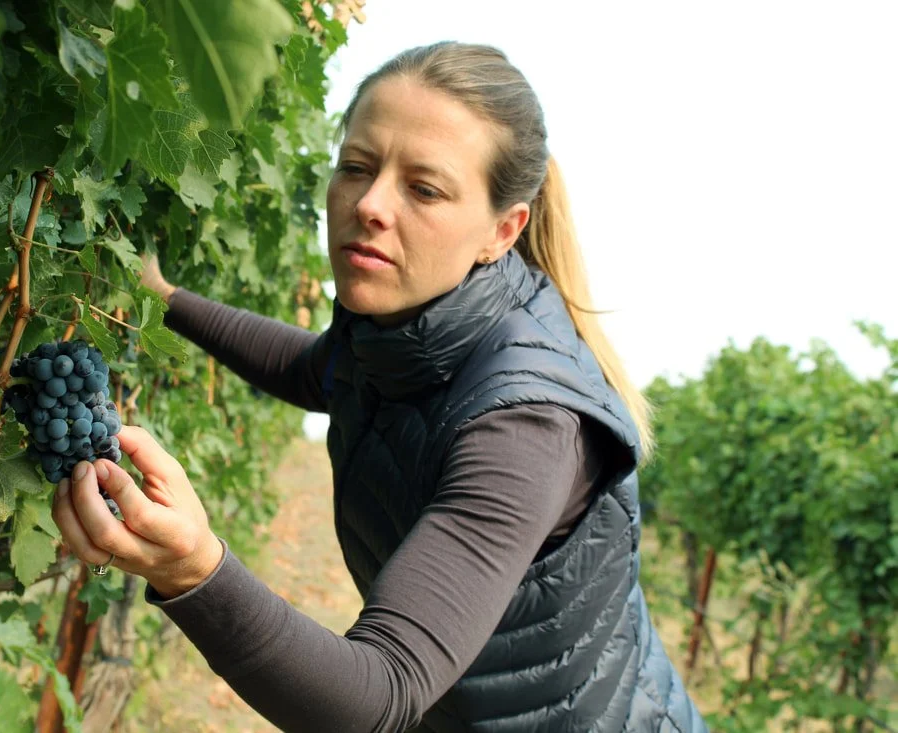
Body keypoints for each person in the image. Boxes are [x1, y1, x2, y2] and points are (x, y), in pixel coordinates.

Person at [51, 42, 707, 732]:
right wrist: (165, 298)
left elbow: (381, 692)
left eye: (424, 188)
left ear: (502, 230)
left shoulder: (527, 426)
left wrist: (195, 570)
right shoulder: (399, 322)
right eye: (357, 168)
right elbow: (314, 369)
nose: (369, 204)